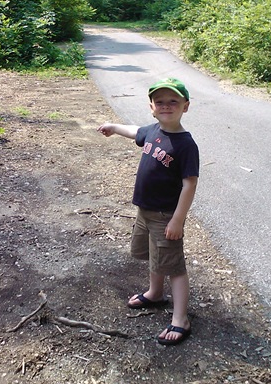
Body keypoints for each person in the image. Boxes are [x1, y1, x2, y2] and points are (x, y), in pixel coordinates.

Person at [97, 77, 199, 346]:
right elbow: (135, 131)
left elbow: (189, 184)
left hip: (166, 216)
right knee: (155, 254)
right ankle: (155, 293)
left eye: (173, 101)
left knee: (174, 266)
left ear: (185, 106)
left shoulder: (186, 145)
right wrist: (114, 127)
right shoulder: (153, 131)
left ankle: (181, 319)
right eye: (160, 102)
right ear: (152, 107)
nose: (166, 106)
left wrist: (178, 220)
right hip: (145, 210)